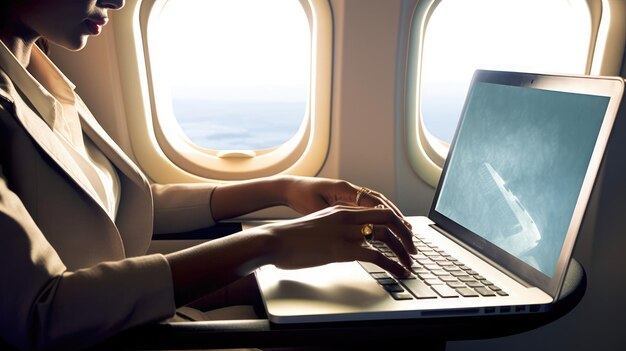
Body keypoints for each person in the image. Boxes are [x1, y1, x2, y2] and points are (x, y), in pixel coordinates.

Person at [0, 0, 416, 350]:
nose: (117, 1)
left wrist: (284, 188)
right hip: (97, 336)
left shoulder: (39, 74)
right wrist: (270, 242)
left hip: (125, 318)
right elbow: (41, 313)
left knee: (356, 301)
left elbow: (126, 204)